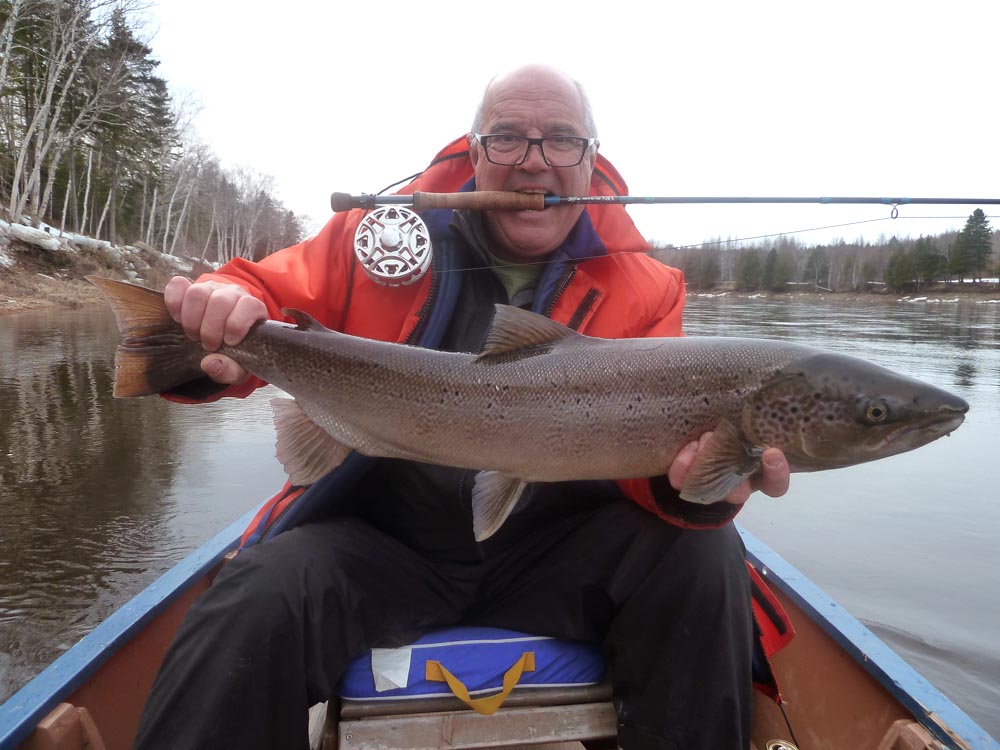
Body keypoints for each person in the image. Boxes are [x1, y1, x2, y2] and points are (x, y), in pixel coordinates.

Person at [134, 64, 792, 750]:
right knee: (254, 598)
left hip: (562, 549)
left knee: (704, 557)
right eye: (507, 137)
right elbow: (262, 292)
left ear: (592, 160)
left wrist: (700, 487)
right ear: (474, 153)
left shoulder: (649, 288)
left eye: (562, 139)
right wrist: (219, 311)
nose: (534, 160)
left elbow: (649, 471)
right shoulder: (378, 237)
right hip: (380, 543)